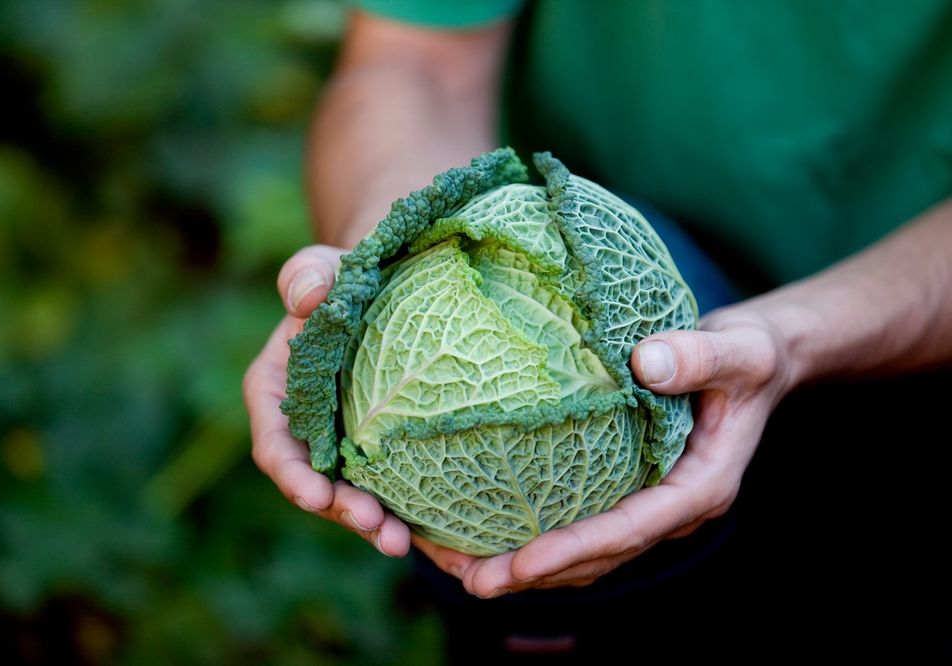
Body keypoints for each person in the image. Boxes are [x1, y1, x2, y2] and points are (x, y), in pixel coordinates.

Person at [244, 1, 952, 660]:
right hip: (632, 316)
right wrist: (365, 272)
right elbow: (413, 59)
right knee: (574, 588)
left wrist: (790, 339)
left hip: (916, 362)